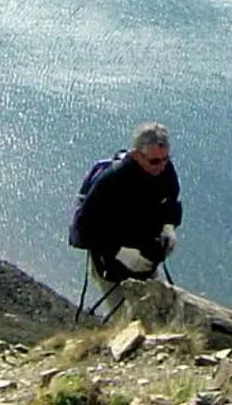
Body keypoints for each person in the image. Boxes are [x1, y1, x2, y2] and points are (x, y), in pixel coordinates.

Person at [72, 121, 182, 320]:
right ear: (136, 155)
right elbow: (84, 227)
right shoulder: (112, 180)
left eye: (166, 158)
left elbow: (172, 202)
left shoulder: (165, 171)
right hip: (110, 263)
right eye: (155, 161)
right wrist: (120, 252)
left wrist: (169, 227)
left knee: (160, 315)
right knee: (127, 320)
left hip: (146, 260)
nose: (162, 165)